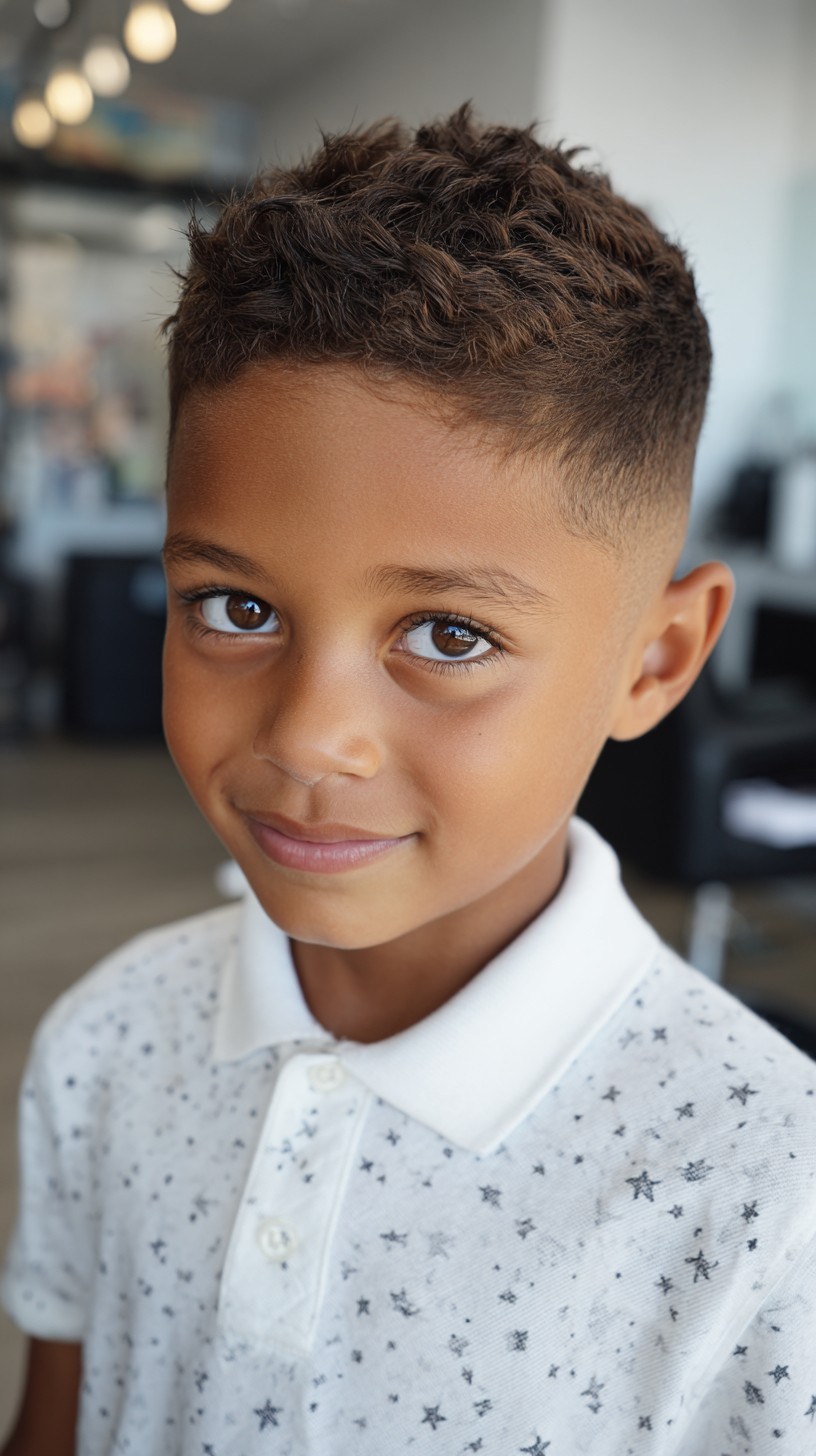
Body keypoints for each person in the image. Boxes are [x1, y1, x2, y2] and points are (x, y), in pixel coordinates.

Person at [2, 105, 815, 1456]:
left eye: (450, 635)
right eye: (234, 608)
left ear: (656, 662)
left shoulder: (768, 1194)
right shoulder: (106, 1044)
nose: (312, 739)